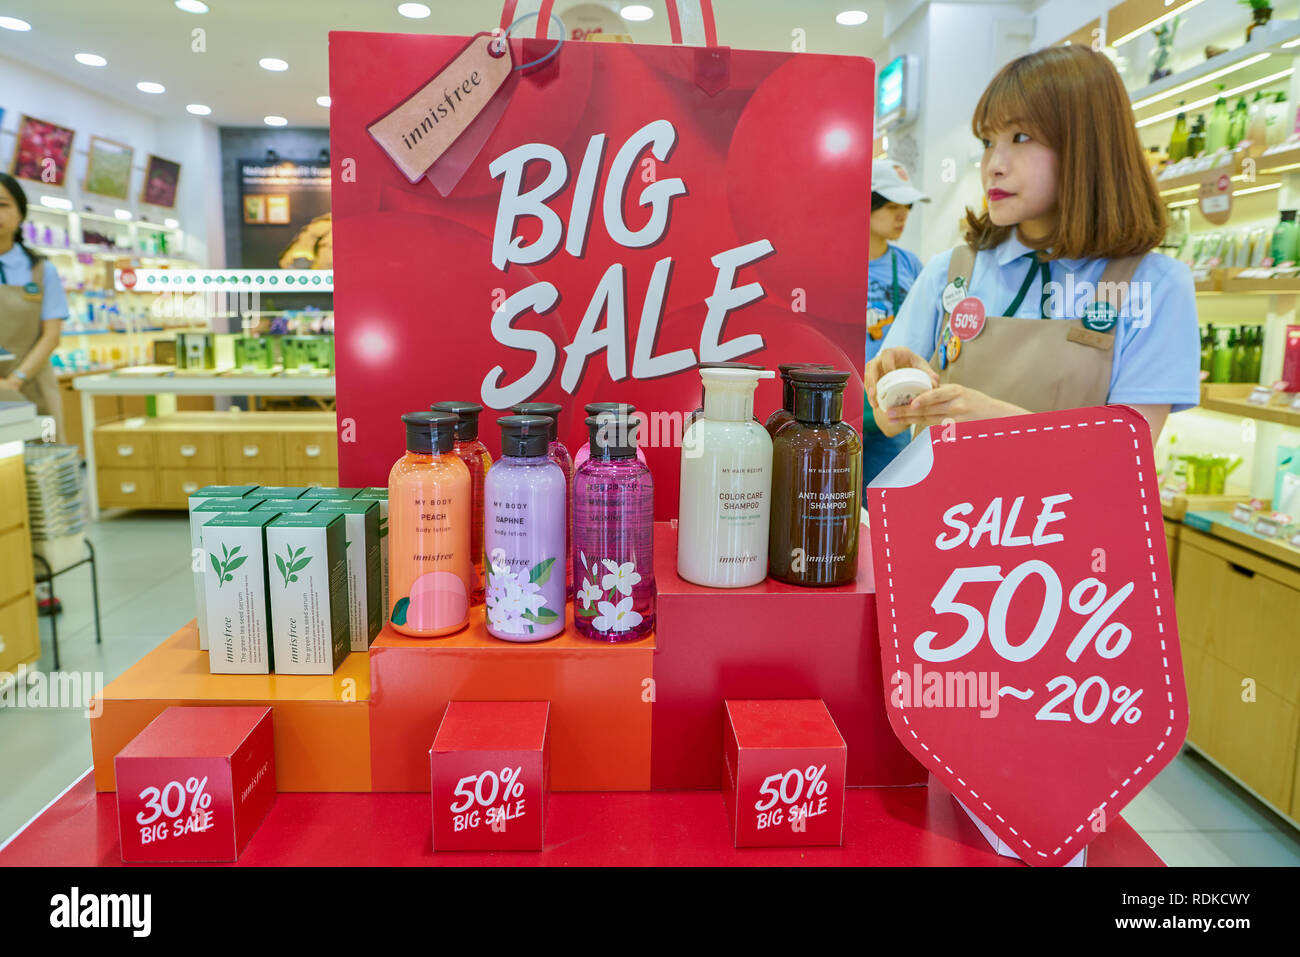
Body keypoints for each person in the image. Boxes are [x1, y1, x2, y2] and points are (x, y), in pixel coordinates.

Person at [864, 46, 1199, 448]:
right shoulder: (948, 272)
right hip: (941, 512)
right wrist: (896, 384)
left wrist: (998, 421)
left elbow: (1127, 457)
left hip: (1068, 513)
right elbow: (889, 422)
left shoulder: (1154, 285)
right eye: (988, 140)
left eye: (1020, 137)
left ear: (1088, 144)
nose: (994, 164)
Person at [863, 159, 928, 484]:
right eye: (891, 207)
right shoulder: (836, 260)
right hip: (842, 402)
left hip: (894, 400)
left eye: (907, 206)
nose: (902, 215)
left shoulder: (910, 264)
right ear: (867, 203)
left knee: (888, 502)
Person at [0, 173, 67, 439]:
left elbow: (51, 336)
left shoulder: (41, 270)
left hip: (32, 385)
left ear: (20, 214)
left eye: (2, 205)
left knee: (43, 470)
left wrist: (15, 381)